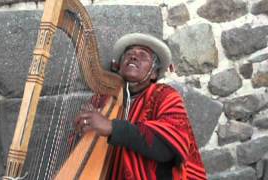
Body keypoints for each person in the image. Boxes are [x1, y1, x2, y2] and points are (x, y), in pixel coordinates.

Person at [75, 33, 207, 180]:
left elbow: (168, 147)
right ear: (119, 67)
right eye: (129, 54)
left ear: (154, 74)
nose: (133, 57)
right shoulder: (102, 99)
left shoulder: (165, 95)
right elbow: (79, 143)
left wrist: (112, 127)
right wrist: (83, 129)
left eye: (143, 55)